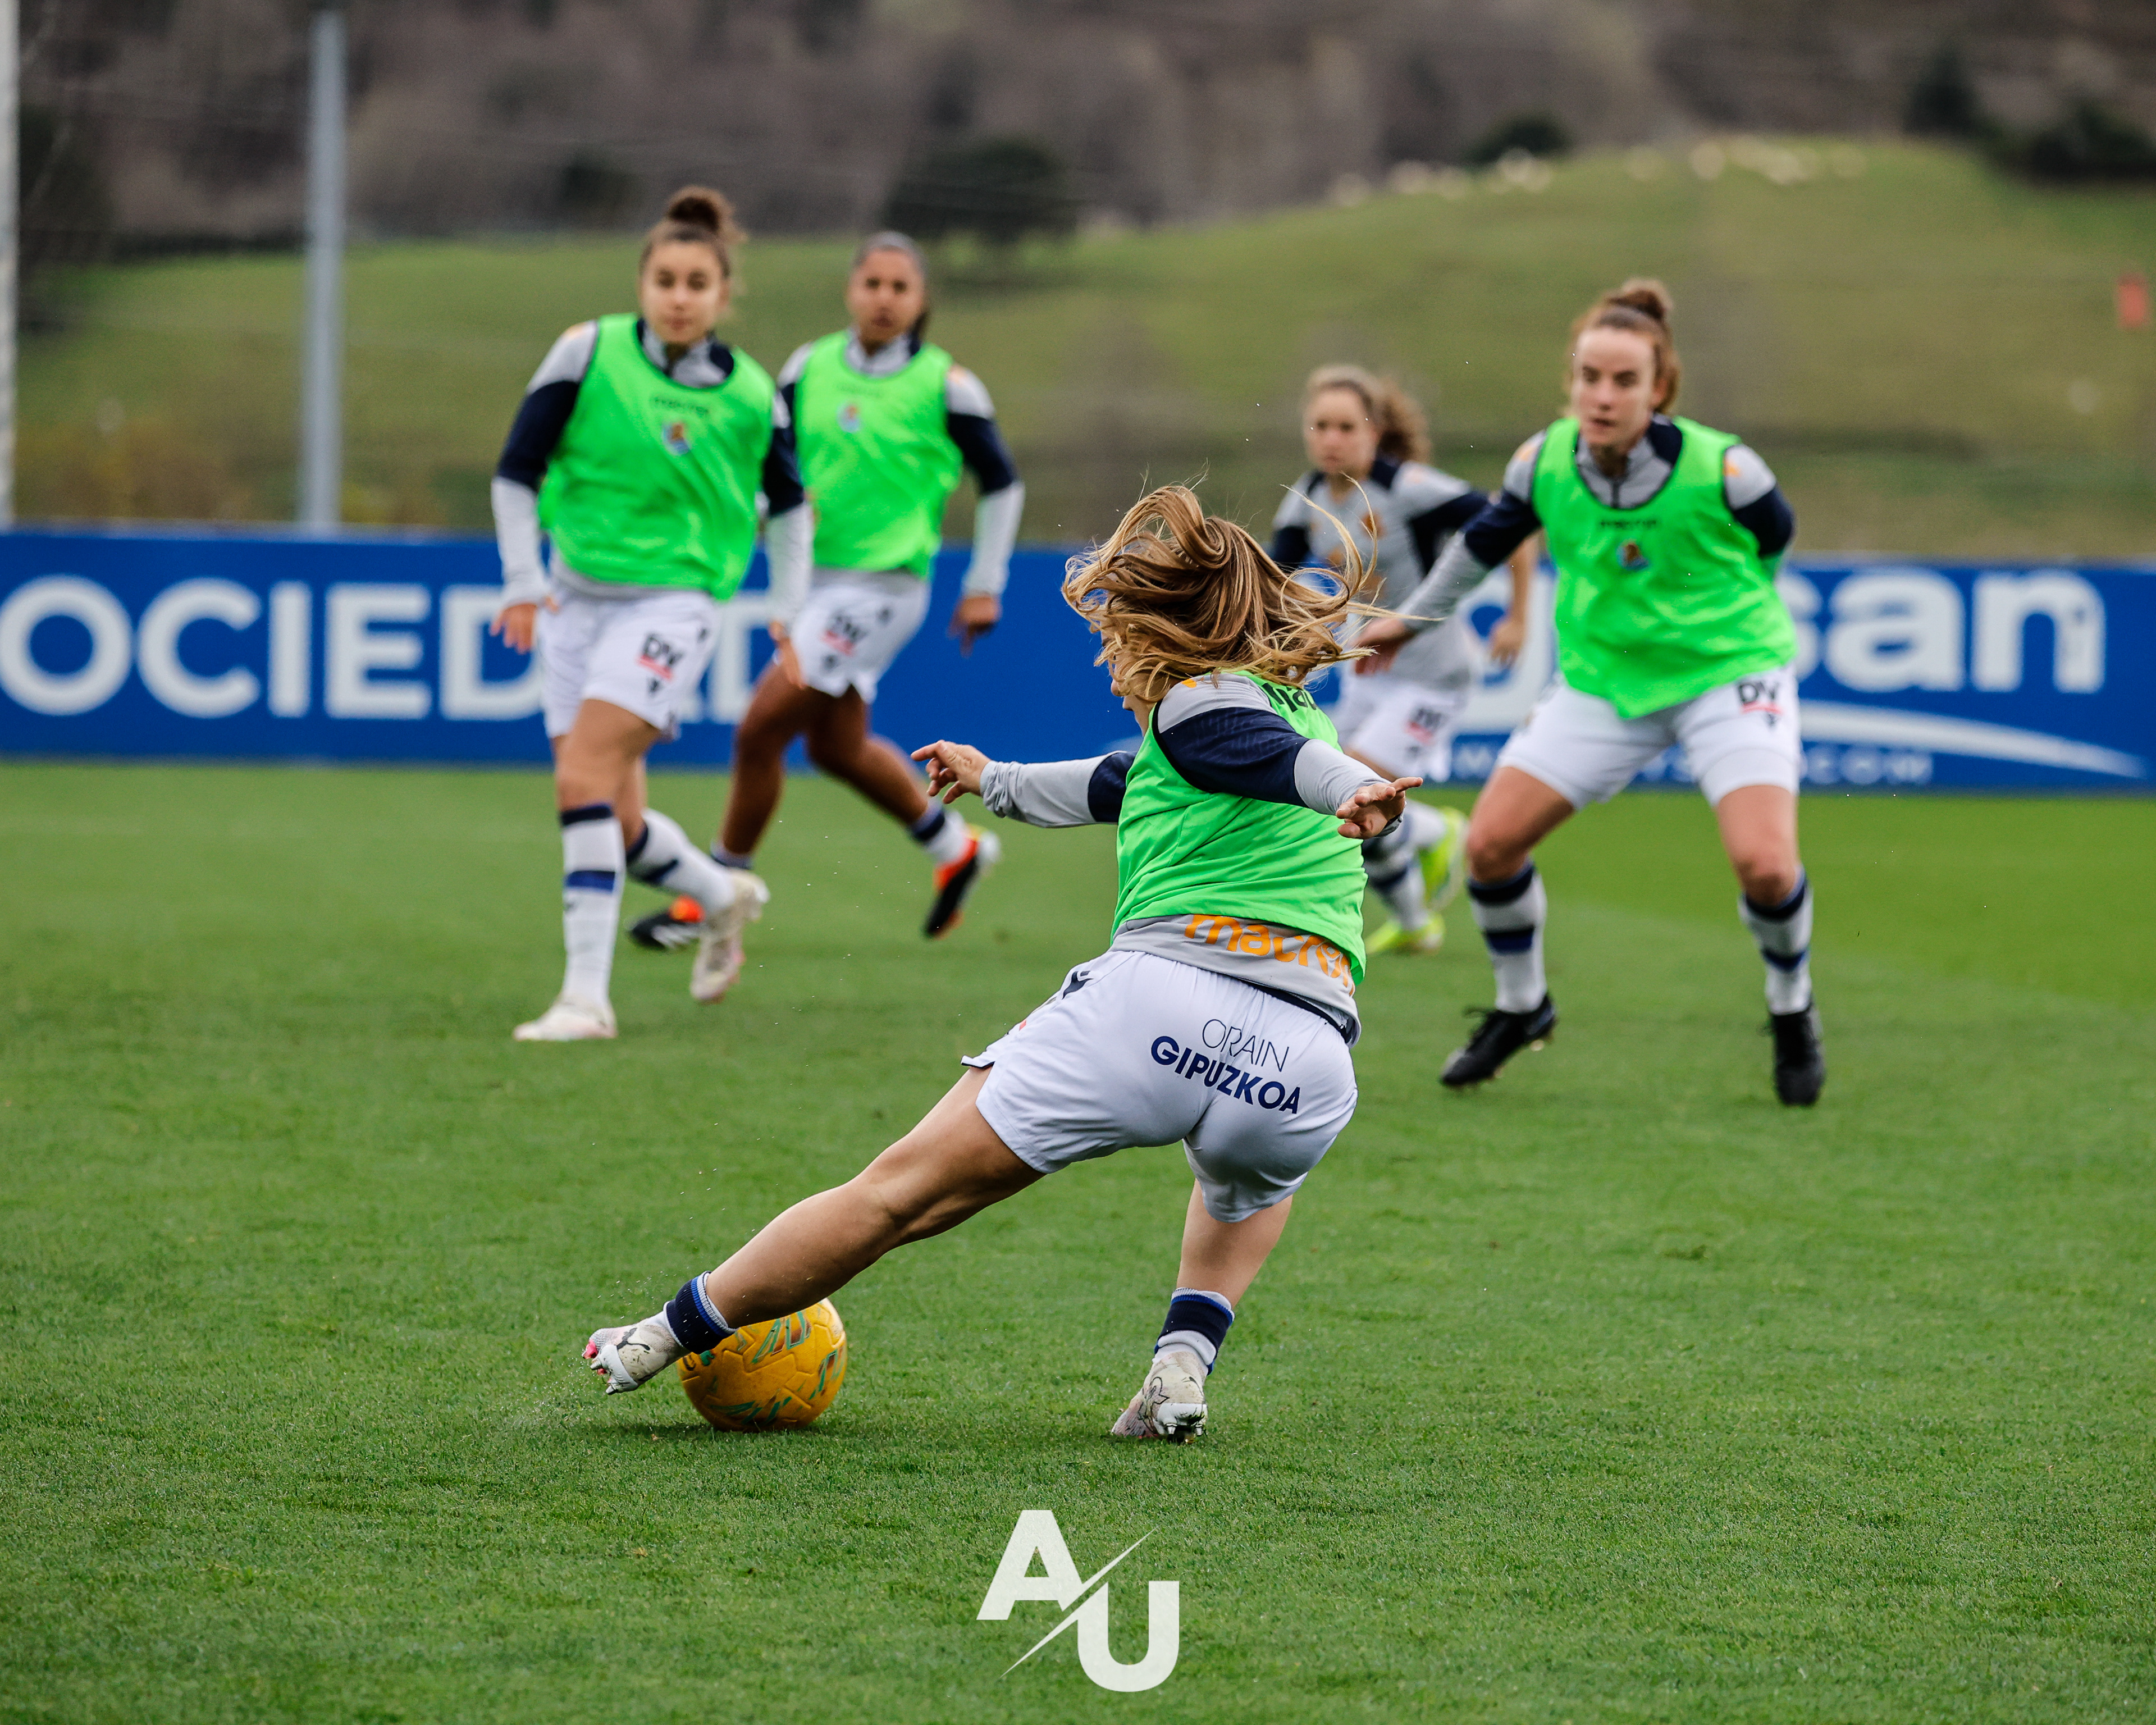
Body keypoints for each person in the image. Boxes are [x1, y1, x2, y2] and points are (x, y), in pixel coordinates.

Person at [583, 486, 1417, 1439]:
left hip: (1162, 1006)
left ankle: (661, 1334)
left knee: (896, 1197)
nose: (1112, 662)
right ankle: (1182, 1364)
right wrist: (996, 780)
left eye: (1115, 635)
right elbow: (1130, 781)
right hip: (1306, 1062)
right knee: (1244, 1191)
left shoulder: (1205, 704)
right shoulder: (1284, 717)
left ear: (1159, 630)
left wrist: (1350, 789)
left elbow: (1266, 756)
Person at [1356, 279, 1823, 1105]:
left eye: (1624, 381)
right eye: (1589, 377)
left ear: (1660, 389)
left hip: (1728, 673)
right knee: (1489, 847)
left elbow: (1773, 544)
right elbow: (1481, 545)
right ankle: (1522, 1005)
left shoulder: (1728, 468)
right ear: (1570, 380)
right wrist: (1411, 620)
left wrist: (1716, 619)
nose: (1603, 396)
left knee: (1764, 864)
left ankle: (1792, 1008)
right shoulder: (1542, 462)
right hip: (1604, 682)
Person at [635, 231, 1024, 953]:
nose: (884, 298)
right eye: (872, 283)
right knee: (836, 748)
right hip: (811, 585)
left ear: (922, 300)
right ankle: (955, 849)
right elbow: (766, 461)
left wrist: (984, 583)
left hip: (882, 587)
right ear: (851, 290)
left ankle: (717, 890)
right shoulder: (807, 367)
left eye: (900, 287)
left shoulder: (947, 384)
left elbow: (1001, 483)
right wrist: (766, 508)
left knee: (759, 729)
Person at [488, 186, 808, 1041]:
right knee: (618, 821)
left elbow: (791, 505)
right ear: (642, 284)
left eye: (697, 283)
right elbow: (516, 471)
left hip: (676, 603)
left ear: (723, 294)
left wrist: (787, 608)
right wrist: (522, 581)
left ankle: (585, 1000)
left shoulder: (751, 392)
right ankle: (721, 895)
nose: (679, 297)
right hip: (574, 600)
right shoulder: (585, 351)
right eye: (665, 280)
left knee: (581, 778)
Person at [1271, 365, 1534, 956]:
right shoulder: (1306, 501)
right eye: (1320, 426)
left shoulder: (1408, 488)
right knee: (1337, 793)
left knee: (1354, 790)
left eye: (1346, 427)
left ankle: (1431, 862)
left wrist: (1519, 616)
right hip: (1369, 673)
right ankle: (1423, 890)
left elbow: (1512, 526)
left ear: (1374, 432)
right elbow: (1275, 589)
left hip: (1433, 677)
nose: (1331, 439)